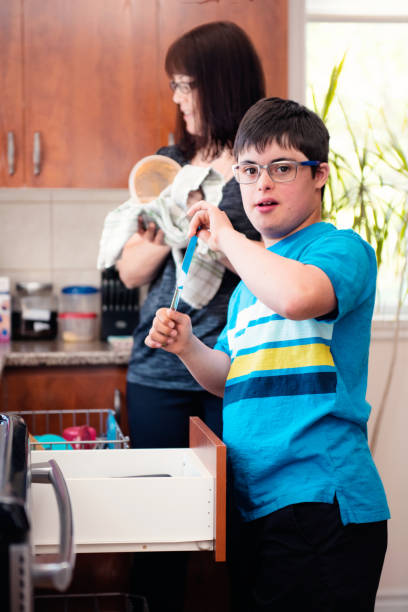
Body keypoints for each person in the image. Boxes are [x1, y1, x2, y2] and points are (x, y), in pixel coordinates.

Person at [145, 97, 390, 612]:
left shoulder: (341, 250)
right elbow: (229, 376)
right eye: (249, 171)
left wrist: (228, 237)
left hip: (323, 503)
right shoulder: (246, 289)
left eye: (282, 169)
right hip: (256, 504)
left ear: (319, 174)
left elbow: (298, 297)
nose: (262, 185)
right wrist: (187, 345)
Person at [116, 21, 265, 612]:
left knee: (242, 527)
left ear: (219, 83)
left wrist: (215, 223)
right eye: (174, 85)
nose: (177, 97)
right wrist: (178, 223)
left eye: (185, 84)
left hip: (235, 367)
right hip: (157, 373)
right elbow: (129, 270)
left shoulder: (260, 166)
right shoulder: (166, 167)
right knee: (157, 534)